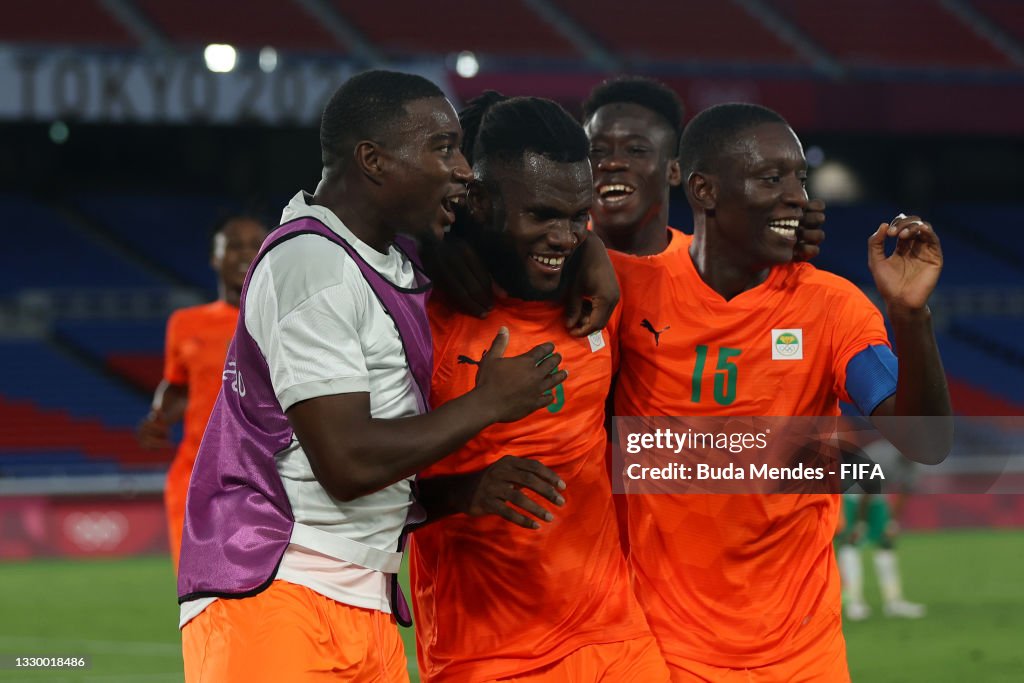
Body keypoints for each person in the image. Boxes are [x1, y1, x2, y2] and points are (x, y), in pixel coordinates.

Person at [176, 70, 570, 682]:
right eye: (442, 147)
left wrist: (461, 493)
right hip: (278, 590)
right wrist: (489, 403)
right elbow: (347, 463)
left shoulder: (386, 260)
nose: (462, 169)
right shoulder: (312, 264)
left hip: (364, 598)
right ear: (373, 160)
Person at [607, 101, 952, 681]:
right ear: (704, 190)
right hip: (659, 654)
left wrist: (910, 317)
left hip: (802, 659)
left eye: (799, 178)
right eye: (772, 178)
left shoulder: (831, 304)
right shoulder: (630, 288)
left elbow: (924, 441)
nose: (797, 196)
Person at [409, 94, 671, 683]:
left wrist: (595, 247)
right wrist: (457, 494)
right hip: (482, 656)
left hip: (616, 641)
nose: (564, 236)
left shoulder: (599, 298)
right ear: (478, 203)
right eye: (543, 216)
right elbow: (353, 481)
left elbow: (712, 264)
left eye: (580, 216)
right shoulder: (422, 317)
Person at [138, 214, 267, 572]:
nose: (245, 253)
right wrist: (157, 416)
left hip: (262, 481)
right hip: (195, 478)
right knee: (199, 588)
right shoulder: (185, 323)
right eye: (234, 245)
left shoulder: (287, 321)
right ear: (214, 256)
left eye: (255, 244)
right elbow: (177, 386)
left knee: (260, 597)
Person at [836, 437, 926, 620]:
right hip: (852, 494)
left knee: (886, 544)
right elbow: (865, 490)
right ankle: (854, 602)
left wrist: (892, 523)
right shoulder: (881, 455)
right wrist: (860, 524)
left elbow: (904, 493)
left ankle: (894, 602)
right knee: (851, 545)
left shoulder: (915, 462)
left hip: (875, 496)